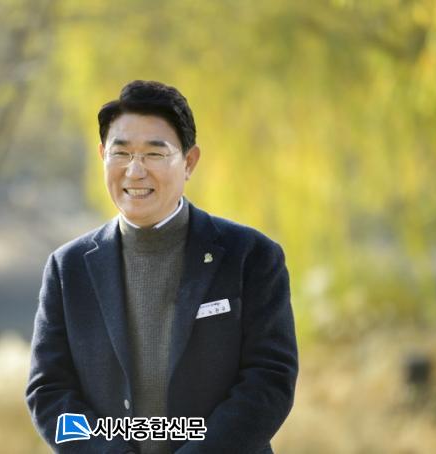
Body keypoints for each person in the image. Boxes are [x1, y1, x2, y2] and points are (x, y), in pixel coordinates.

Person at [26, 80, 298, 453]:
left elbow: (269, 381)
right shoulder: (68, 269)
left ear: (189, 162)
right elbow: (49, 392)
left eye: (155, 154)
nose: (135, 171)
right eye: (121, 153)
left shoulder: (250, 256)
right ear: (103, 155)